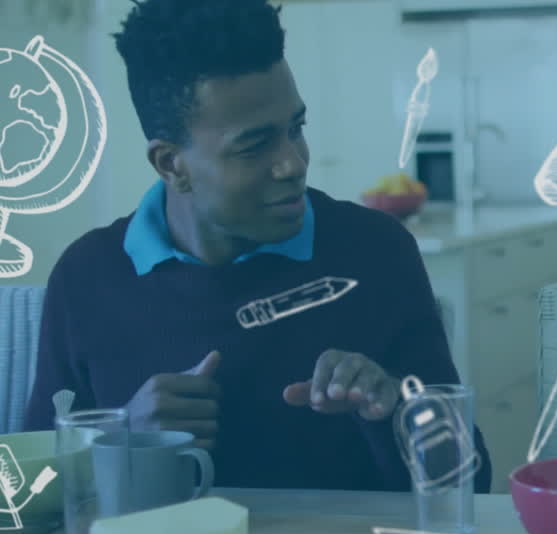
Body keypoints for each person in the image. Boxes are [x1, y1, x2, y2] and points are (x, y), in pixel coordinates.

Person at [23, 0, 492, 493]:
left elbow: (471, 485)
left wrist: (395, 410)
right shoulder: (88, 277)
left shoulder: (376, 253)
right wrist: (122, 445)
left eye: (296, 128)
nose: (293, 163)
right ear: (170, 165)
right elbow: (30, 494)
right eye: (254, 146)